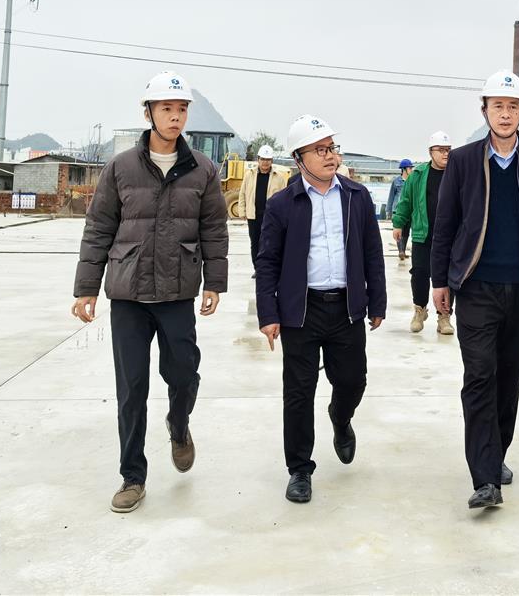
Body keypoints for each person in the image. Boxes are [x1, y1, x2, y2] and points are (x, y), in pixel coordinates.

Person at [71, 71, 229, 514]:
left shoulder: (203, 169)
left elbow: (214, 229)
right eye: (166, 109)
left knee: (184, 374)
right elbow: (99, 227)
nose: (175, 117)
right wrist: (86, 288)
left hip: (178, 293)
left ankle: (179, 426)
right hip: (129, 295)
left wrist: (215, 282)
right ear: (149, 113)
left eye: (181, 109)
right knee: (131, 389)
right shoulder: (120, 168)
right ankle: (132, 477)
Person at [431, 70, 519, 510]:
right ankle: (485, 477)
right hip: (476, 289)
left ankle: (496, 454)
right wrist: (439, 281)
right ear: (485, 111)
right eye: (497, 106)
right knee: (479, 377)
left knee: (508, 381)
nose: (505, 114)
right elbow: (445, 224)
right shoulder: (464, 161)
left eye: (512, 107)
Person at [256, 114, 386, 504]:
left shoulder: (357, 197)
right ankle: (299, 469)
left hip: (346, 308)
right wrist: (269, 314)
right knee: (298, 393)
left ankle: (341, 418)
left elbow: (372, 252)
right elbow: (268, 262)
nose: (330, 156)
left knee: (353, 381)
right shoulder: (282, 204)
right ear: (299, 159)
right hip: (301, 311)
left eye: (332, 148)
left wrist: (377, 301)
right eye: (320, 150)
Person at [392, 131, 454, 335]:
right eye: (441, 150)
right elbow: (406, 201)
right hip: (423, 234)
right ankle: (420, 310)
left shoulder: (456, 172)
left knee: (447, 277)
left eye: (448, 149)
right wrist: (398, 223)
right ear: (430, 152)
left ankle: (444, 317)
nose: (445, 154)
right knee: (419, 273)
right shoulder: (418, 175)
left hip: (450, 237)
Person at [238, 144, 285, 277]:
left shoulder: (278, 177)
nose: (265, 162)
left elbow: (284, 198)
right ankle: (258, 269)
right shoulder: (249, 175)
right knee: (255, 243)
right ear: (258, 159)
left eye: (268, 159)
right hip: (253, 216)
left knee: (270, 243)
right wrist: (242, 211)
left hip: (271, 217)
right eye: (263, 159)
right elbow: (242, 193)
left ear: (272, 161)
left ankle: (270, 269)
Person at [387, 159, 414, 260]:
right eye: (410, 168)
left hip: (409, 211)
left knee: (406, 232)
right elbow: (391, 196)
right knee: (399, 230)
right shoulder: (396, 181)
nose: (411, 170)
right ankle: (401, 251)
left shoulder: (412, 181)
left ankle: (403, 250)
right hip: (397, 210)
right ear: (403, 169)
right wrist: (389, 210)